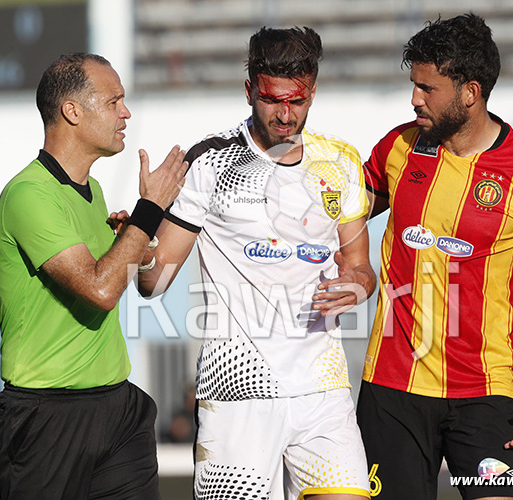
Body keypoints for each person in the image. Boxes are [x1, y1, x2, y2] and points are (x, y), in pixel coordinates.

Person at [137, 26, 375, 500]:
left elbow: (360, 265)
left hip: (322, 394)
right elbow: (152, 282)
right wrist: (144, 223)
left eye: (298, 100)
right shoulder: (209, 162)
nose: (286, 115)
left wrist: (358, 286)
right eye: (271, 100)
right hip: (237, 398)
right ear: (249, 91)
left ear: (312, 92)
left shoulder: (341, 164)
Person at [356, 13, 513, 500]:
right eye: (414, 85)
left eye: (427, 88)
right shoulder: (399, 147)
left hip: (485, 391)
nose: (414, 98)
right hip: (393, 388)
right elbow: (338, 214)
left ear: (470, 92)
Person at [0, 53, 187, 499]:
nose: (126, 113)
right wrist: (149, 210)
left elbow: (133, 282)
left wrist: (138, 237)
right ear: (73, 112)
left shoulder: (93, 191)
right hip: (47, 418)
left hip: (117, 408)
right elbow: (99, 290)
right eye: (114, 100)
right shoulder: (28, 194)